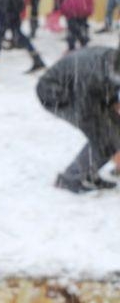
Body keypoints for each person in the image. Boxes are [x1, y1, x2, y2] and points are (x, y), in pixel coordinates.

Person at [37, 42, 120, 193]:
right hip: (55, 93)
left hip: (82, 91)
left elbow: (111, 90)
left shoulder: (111, 63)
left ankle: (88, 173)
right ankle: (71, 178)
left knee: (112, 131)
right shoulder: (94, 73)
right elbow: (87, 107)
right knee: (104, 136)